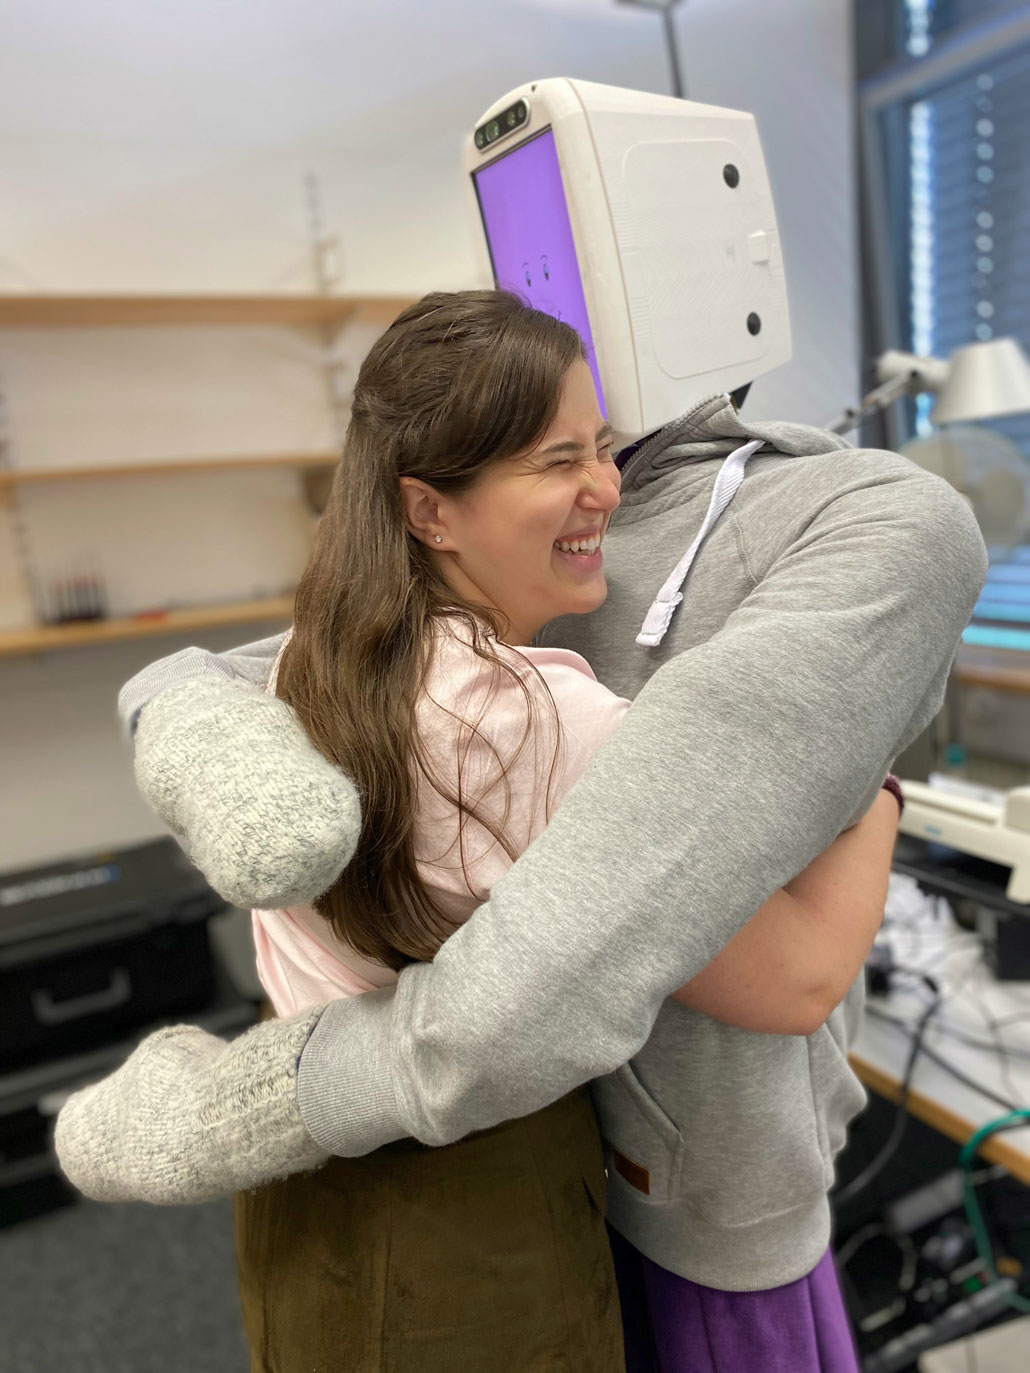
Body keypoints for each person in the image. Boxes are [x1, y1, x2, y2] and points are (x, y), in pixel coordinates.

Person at [56, 284, 986, 1370]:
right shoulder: (542, 717)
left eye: (605, 446)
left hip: (305, 1206)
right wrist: (863, 769)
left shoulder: (320, 654)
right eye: (557, 460)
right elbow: (797, 980)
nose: (607, 487)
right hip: (470, 1209)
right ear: (429, 510)